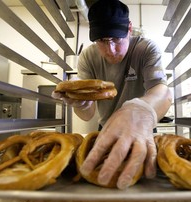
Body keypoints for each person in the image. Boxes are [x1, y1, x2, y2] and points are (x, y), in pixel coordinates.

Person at [52, 0, 172, 189]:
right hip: (105, 130)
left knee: (145, 184)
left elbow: (162, 91)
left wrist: (140, 108)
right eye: (102, 41)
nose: (110, 50)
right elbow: (87, 114)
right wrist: (81, 104)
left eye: (116, 39)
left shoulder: (145, 49)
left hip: (141, 128)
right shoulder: (88, 57)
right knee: (102, 183)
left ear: (129, 29)